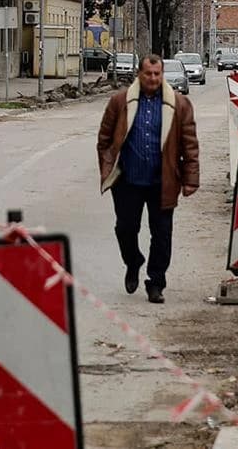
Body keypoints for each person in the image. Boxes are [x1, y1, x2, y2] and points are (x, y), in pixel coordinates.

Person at [96, 54, 200, 305]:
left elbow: (190, 145)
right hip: (127, 182)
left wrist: (191, 179)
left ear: (161, 75)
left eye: (157, 74)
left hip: (163, 181)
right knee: (125, 229)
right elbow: (104, 140)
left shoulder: (179, 104)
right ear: (139, 75)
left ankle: (156, 283)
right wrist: (108, 169)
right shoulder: (120, 102)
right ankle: (133, 262)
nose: (153, 78)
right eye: (148, 74)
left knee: (162, 235)